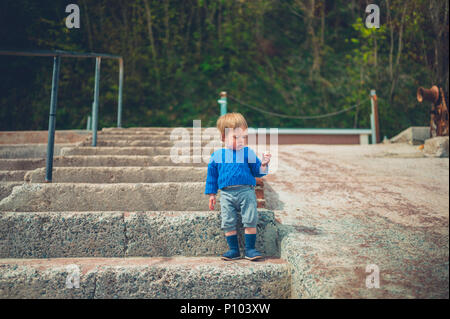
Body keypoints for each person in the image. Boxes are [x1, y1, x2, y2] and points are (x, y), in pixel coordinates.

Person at [204, 112, 271, 261]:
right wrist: (212, 194)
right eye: (236, 137)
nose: (241, 141)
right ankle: (233, 249)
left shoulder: (248, 152)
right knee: (228, 221)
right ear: (223, 137)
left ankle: (250, 249)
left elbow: (258, 172)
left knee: (250, 218)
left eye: (243, 137)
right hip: (226, 194)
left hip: (246, 192)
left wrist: (264, 164)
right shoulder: (217, 156)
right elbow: (212, 177)